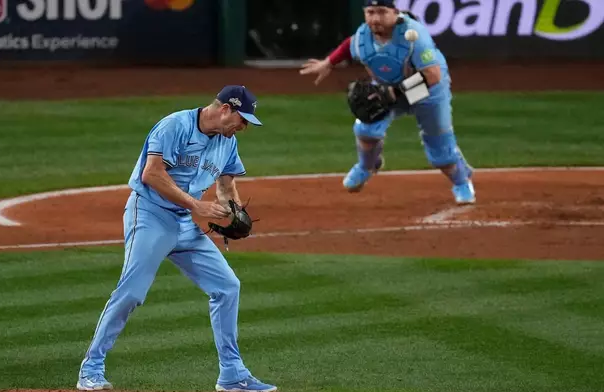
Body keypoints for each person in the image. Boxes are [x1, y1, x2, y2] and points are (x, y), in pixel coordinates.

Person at [76, 85, 278, 392]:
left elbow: (226, 184)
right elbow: (152, 174)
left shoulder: (228, 142)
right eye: (242, 119)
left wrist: (232, 210)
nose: (244, 127)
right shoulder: (176, 126)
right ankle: (91, 368)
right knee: (131, 292)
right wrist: (198, 205)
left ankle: (232, 374)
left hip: (184, 224)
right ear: (226, 109)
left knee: (227, 287)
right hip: (150, 214)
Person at [299, 0, 476, 204]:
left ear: (394, 12)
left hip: (428, 89)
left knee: (439, 148)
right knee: (366, 130)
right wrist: (328, 62)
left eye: (381, 12)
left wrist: (394, 92)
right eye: (370, 12)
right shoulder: (363, 37)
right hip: (389, 87)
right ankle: (368, 166)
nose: (375, 18)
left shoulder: (414, 35)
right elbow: (351, 45)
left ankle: (462, 182)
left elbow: (433, 75)